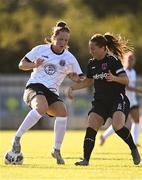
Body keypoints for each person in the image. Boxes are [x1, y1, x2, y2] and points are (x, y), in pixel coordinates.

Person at [7, 21, 84, 165]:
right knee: (40, 107)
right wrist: (34, 65)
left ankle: (56, 150)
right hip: (34, 87)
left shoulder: (69, 58)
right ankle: (16, 138)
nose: (63, 42)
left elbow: (78, 77)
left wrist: (75, 79)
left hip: (51, 92)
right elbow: (21, 64)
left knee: (63, 112)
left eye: (66, 40)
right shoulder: (40, 49)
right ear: (53, 38)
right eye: (60, 39)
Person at [66, 33, 141, 166]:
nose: (91, 51)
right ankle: (85, 159)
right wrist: (72, 87)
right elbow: (87, 82)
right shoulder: (92, 64)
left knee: (117, 126)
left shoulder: (113, 60)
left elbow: (126, 80)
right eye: (90, 48)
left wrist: (114, 78)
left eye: (93, 48)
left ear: (102, 48)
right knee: (91, 124)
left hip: (117, 99)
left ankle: (133, 149)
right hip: (100, 102)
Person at [99, 52, 142, 147]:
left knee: (137, 120)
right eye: (129, 59)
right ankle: (104, 136)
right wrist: (139, 90)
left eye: (132, 59)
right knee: (119, 124)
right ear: (126, 60)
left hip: (133, 101)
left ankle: (135, 142)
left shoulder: (133, 72)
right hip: (124, 101)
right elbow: (126, 87)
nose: (131, 61)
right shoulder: (123, 71)